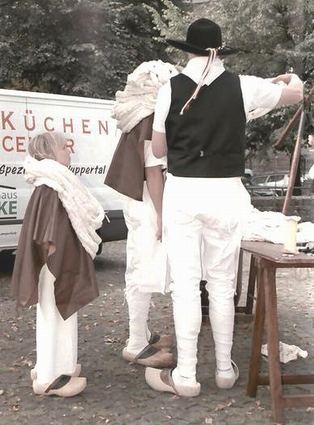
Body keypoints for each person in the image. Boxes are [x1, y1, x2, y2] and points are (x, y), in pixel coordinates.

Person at [145, 18, 304, 397]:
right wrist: (287, 78)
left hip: (183, 192)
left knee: (185, 286)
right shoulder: (244, 86)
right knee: (220, 284)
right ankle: (223, 369)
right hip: (226, 192)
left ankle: (185, 374)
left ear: (188, 50)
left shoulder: (169, 88)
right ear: (219, 50)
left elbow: (157, 150)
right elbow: (297, 94)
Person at [11, 132, 104, 396]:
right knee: (53, 315)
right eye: (65, 147)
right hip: (53, 265)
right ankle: (49, 377)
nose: (69, 151)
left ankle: (59, 366)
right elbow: (48, 233)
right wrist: (58, 265)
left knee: (62, 315)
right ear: (50, 152)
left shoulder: (54, 182)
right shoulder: (51, 185)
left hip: (59, 262)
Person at [105, 60, 178, 367]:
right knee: (142, 266)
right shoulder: (150, 118)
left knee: (139, 264)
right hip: (148, 200)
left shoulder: (139, 115)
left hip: (138, 200)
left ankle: (141, 334)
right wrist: (163, 215)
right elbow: (153, 171)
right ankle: (136, 342)